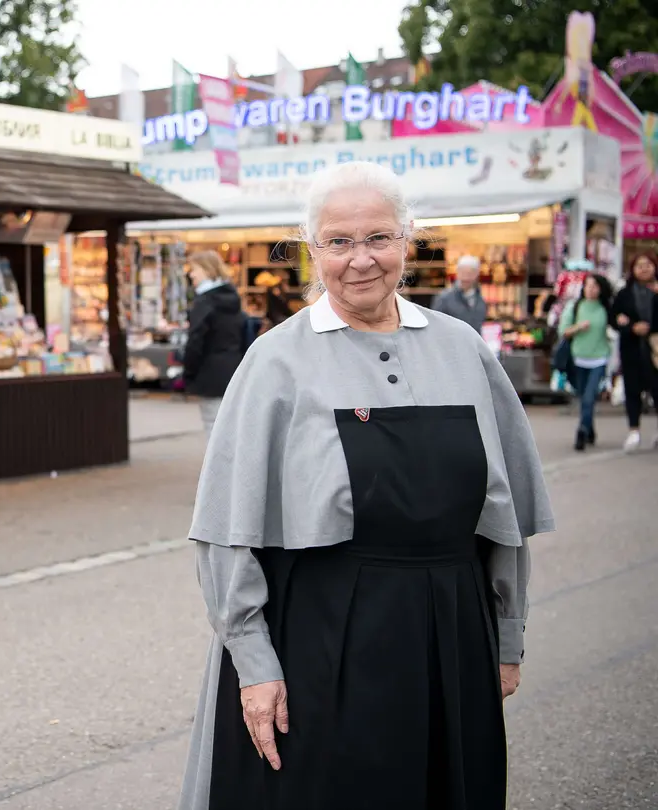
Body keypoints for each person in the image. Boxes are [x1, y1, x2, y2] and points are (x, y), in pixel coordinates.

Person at [179, 161, 554, 810]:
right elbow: (225, 532)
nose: (361, 260)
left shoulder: (463, 350)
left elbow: (503, 516)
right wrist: (254, 662)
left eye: (379, 237)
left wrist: (507, 633)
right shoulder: (276, 360)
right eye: (339, 242)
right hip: (322, 640)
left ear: (410, 240)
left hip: (452, 632)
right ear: (310, 248)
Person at [181, 251, 247, 436]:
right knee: (230, 427)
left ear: (207, 270)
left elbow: (195, 342)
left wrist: (188, 374)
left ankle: (218, 466)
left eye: (194, 269)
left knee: (213, 427)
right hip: (233, 370)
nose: (191, 274)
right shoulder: (233, 299)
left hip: (210, 374)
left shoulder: (204, 302)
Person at [559, 273, 614, 450]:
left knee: (590, 397)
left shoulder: (605, 308)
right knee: (583, 397)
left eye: (595, 286)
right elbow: (564, 331)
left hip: (599, 358)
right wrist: (578, 327)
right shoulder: (575, 307)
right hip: (578, 358)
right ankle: (590, 429)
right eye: (588, 286)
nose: (591, 290)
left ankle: (581, 430)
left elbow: (614, 329)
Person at [610, 253, 658, 452]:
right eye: (639, 265)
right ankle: (634, 431)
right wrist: (631, 327)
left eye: (648, 265)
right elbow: (613, 319)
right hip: (631, 350)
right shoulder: (624, 293)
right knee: (632, 391)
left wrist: (651, 327)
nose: (644, 268)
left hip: (655, 349)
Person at [432, 254, 488, 333]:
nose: (466, 278)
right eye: (463, 273)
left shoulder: (481, 300)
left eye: (470, 273)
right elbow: (435, 325)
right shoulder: (444, 298)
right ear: (457, 273)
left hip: (473, 344)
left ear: (477, 274)